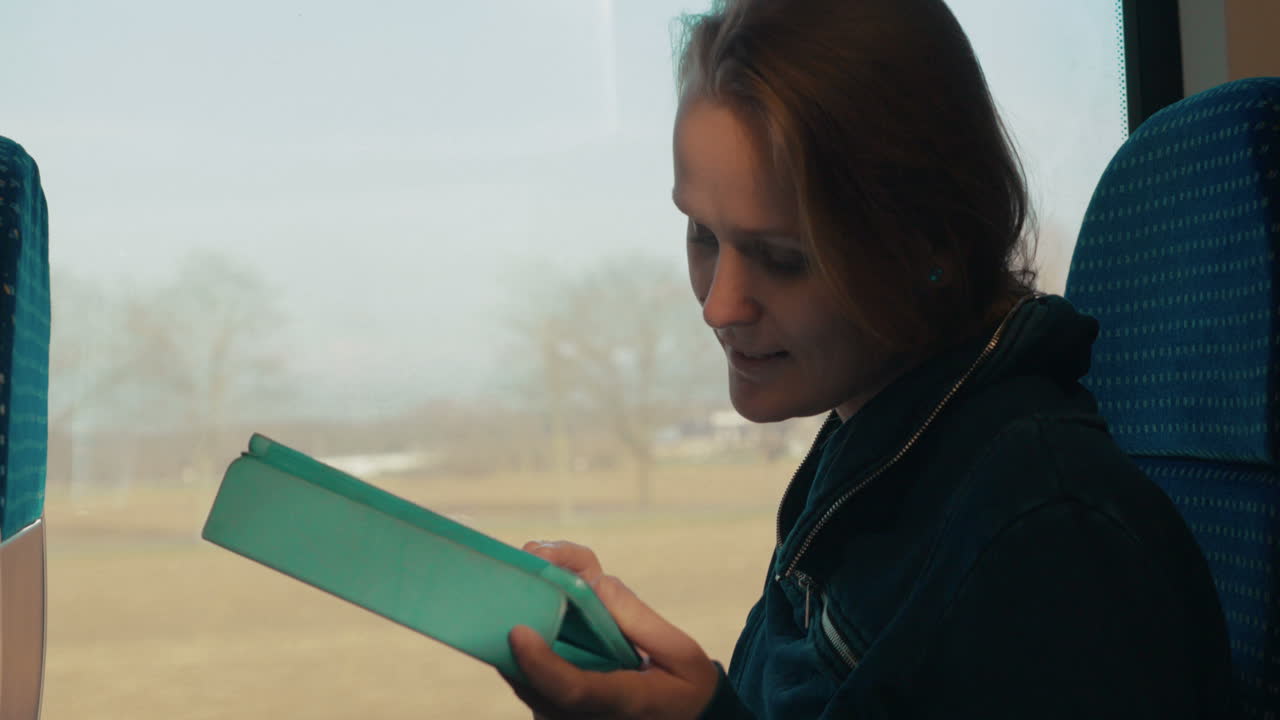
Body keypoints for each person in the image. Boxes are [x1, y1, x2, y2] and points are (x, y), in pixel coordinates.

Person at [502, 0, 1236, 717]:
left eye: (782, 259)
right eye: (701, 235)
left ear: (930, 247)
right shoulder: (873, 449)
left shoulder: (1052, 539)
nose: (719, 306)